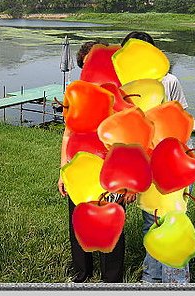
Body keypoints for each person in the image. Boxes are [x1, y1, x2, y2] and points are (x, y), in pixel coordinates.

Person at [120, 31, 192, 284]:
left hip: (172, 162)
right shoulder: (125, 87)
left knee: (171, 223)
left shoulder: (168, 81)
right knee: (151, 223)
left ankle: (175, 283)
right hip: (144, 165)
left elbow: (182, 122)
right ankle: (151, 280)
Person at [57, 40, 129, 283]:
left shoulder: (121, 97)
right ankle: (82, 271)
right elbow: (68, 134)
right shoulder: (76, 95)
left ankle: (111, 278)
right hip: (79, 171)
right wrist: (63, 172)